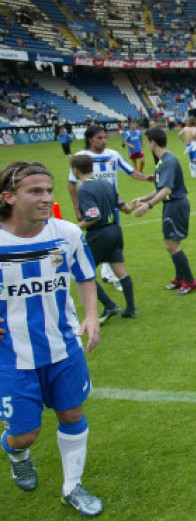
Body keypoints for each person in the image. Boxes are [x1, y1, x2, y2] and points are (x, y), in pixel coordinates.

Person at [0, 161, 104, 517]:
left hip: (63, 346)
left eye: (49, 191)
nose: (46, 199)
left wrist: (91, 316)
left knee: (72, 412)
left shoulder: (67, 233)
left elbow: (85, 275)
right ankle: (18, 455)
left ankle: (72, 487)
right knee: (24, 435)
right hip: (11, 355)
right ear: (9, 197)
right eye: (35, 192)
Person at [67, 125, 151, 290]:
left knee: (111, 241)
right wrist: (77, 209)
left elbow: (131, 172)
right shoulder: (81, 157)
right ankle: (99, 275)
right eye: (99, 138)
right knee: (98, 240)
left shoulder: (113, 154)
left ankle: (108, 274)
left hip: (111, 203)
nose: (103, 141)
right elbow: (71, 184)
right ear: (90, 139)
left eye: (105, 137)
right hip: (91, 203)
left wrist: (148, 178)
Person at [131, 127, 196, 296]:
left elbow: (167, 189)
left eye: (147, 141)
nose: (147, 144)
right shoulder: (162, 161)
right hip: (171, 205)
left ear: (152, 142)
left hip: (176, 205)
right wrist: (143, 199)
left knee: (172, 245)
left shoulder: (169, 161)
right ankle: (179, 278)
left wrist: (149, 206)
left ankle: (190, 281)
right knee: (170, 245)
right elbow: (159, 188)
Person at [71, 154, 138, 322]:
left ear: (75, 170)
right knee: (121, 271)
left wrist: (74, 228)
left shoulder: (84, 189)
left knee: (84, 272)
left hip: (99, 234)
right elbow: (125, 208)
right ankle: (131, 308)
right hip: (115, 230)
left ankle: (109, 305)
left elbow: (93, 216)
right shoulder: (107, 184)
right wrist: (132, 207)